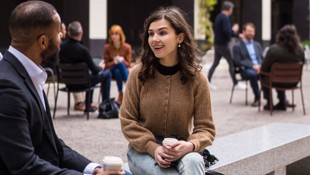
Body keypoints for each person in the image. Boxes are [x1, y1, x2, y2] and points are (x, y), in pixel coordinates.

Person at [0, 1, 124, 174]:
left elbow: (53, 145)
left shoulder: (29, 74)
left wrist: (95, 169)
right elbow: (25, 166)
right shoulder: (8, 87)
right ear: (43, 42)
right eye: (59, 33)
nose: (62, 38)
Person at [119, 6, 216, 175]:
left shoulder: (197, 79)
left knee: (194, 161)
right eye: (151, 33)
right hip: (142, 151)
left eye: (162, 33)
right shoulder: (138, 74)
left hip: (181, 148)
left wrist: (190, 145)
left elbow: (205, 128)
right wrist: (153, 148)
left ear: (180, 37)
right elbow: (128, 120)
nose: (155, 39)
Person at [59, 21, 112, 112]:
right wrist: (101, 67)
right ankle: (105, 105)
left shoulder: (61, 48)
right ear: (81, 33)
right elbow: (95, 71)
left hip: (68, 83)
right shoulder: (83, 50)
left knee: (89, 75)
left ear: (68, 33)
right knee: (106, 74)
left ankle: (88, 105)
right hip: (84, 83)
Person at [261, 24, 305, 110]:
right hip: (293, 81)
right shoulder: (300, 49)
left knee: (265, 76)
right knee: (278, 76)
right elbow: (302, 63)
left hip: (274, 81)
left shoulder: (274, 50)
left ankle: (269, 102)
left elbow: (264, 68)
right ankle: (282, 101)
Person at [207, 1, 246, 90]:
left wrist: (235, 34)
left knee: (215, 63)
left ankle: (207, 82)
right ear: (229, 9)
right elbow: (227, 31)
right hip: (223, 45)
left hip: (217, 44)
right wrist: (235, 32)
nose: (232, 10)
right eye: (232, 9)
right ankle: (236, 83)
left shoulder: (218, 17)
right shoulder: (225, 18)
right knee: (231, 62)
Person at [233, 23, 263, 107]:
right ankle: (257, 97)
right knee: (253, 74)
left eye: (252, 31)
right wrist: (252, 66)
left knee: (271, 73)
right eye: (249, 31)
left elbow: (262, 58)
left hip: (260, 68)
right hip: (246, 69)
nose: (251, 33)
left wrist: (260, 66)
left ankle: (276, 99)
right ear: (243, 31)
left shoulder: (257, 45)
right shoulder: (237, 46)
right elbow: (237, 61)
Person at [103, 25, 132, 105]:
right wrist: (114, 62)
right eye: (112, 34)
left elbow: (128, 64)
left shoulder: (127, 47)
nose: (113, 36)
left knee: (118, 71)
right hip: (110, 71)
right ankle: (128, 85)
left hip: (120, 71)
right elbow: (106, 65)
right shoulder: (107, 47)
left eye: (116, 34)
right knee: (118, 65)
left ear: (120, 35)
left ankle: (121, 94)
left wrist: (122, 60)